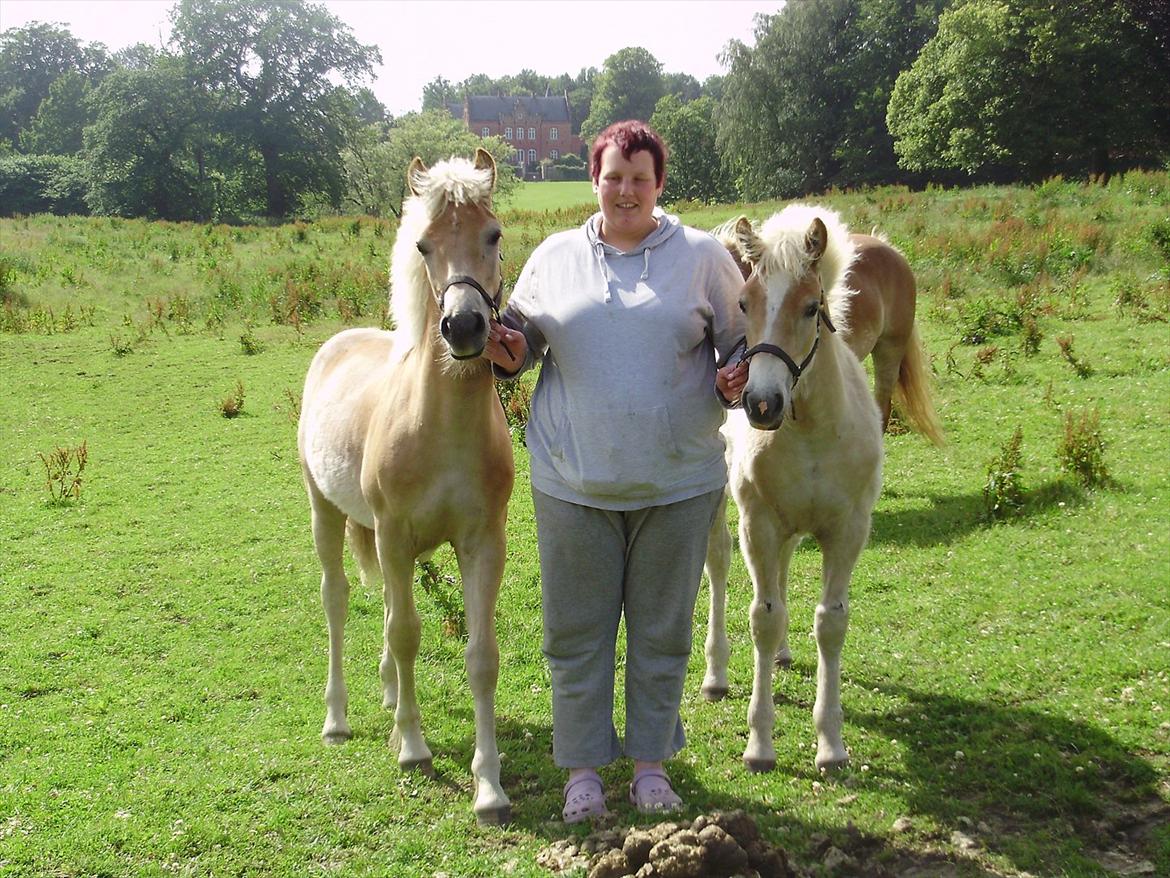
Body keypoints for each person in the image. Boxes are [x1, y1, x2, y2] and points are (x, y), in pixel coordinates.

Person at [482, 120, 748, 822]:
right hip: (572, 481)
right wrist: (504, 348)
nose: (625, 190)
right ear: (594, 178)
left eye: (639, 178)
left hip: (679, 482)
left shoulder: (703, 257)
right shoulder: (554, 257)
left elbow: (740, 348)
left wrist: (734, 377)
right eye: (613, 176)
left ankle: (652, 766)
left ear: (659, 185)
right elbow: (520, 346)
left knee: (662, 632)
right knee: (575, 633)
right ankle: (582, 773)